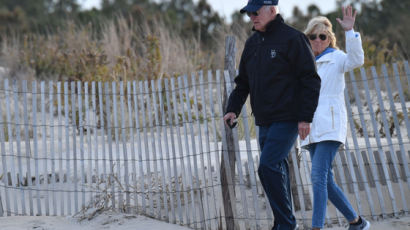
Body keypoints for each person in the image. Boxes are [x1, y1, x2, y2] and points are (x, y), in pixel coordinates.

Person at [223, 0, 321, 229]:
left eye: (256, 12)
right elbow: (242, 83)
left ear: (272, 10)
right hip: (264, 119)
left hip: (288, 118)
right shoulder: (252, 43)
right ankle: (283, 223)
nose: (252, 17)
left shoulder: (293, 38)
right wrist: (232, 108)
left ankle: (287, 224)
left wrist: (306, 117)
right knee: (276, 169)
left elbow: (311, 80)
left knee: (266, 166)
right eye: (249, 13)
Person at [301, 6, 370, 230]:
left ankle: (316, 227)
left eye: (323, 36)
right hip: (310, 127)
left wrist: (350, 33)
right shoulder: (302, 64)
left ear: (329, 39)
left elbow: (357, 60)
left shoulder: (338, 58)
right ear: (308, 38)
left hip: (331, 125)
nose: (318, 40)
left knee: (318, 177)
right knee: (326, 181)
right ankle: (357, 222)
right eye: (313, 36)